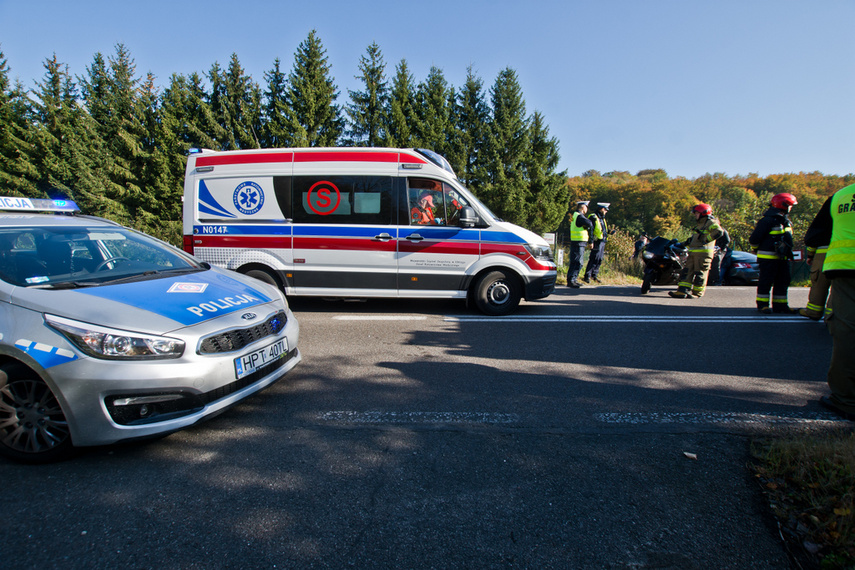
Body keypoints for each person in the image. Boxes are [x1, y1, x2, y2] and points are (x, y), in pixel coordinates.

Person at [804, 183, 855, 420]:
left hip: (847, 270)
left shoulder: (842, 196)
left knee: (848, 333)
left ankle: (846, 399)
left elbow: (815, 234)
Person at [749, 193, 799, 314]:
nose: (791, 208)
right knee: (766, 281)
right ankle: (763, 305)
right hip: (768, 258)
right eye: (791, 205)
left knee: (783, 281)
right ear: (784, 205)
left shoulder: (784, 221)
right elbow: (754, 239)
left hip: (783, 258)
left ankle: (780, 306)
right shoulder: (767, 221)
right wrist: (756, 249)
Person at [669, 203, 726, 299]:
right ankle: (682, 291)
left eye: (697, 213)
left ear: (703, 213)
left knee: (700, 274)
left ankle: (697, 293)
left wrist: (706, 240)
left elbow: (719, 232)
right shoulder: (700, 224)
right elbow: (695, 238)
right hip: (693, 253)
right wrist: (683, 244)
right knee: (687, 272)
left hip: (703, 254)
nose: (695, 215)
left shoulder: (710, 222)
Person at [799, 238, 832, 321]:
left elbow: (813, 238)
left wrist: (810, 255)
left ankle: (813, 312)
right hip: (849, 255)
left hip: (823, 254)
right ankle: (833, 315)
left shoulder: (823, 228)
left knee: (819, 285)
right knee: (840, 287)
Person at [583, 202, 612, 283]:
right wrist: (591, 241)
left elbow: (601, 230)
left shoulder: (602, 218)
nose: (606, 211)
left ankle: (594, 275)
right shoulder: (593, 217)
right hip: (596, 241)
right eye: (605, 209)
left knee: (599, 259)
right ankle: (587, 276)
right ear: (602, 209)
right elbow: (591, 230)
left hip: (602, 241)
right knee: (594, 258)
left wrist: (609, 232)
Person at [567, 200, 593, 288]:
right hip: (578, 242)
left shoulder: (576, 215)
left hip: (578, 242)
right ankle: (571, 280)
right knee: (577, 262)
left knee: (576, 262)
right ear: (583, 207)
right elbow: (589, 223)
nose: (587, 209)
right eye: (586, 207)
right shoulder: (579, 216)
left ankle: (573, 279)